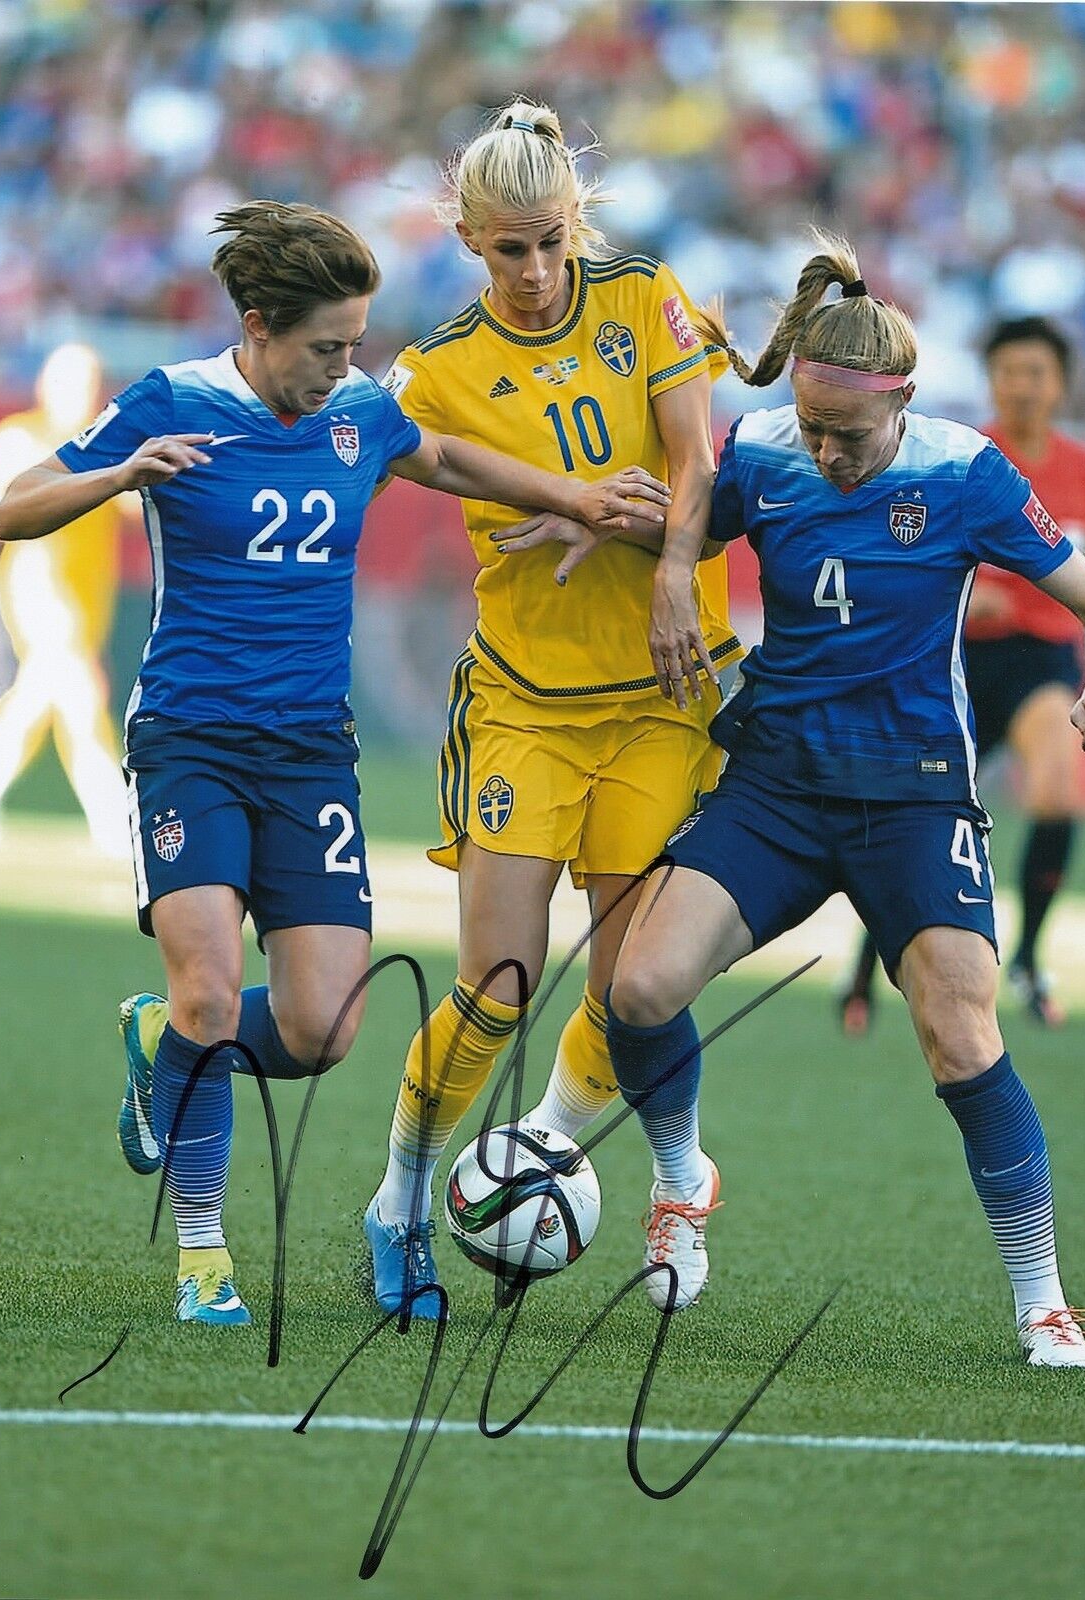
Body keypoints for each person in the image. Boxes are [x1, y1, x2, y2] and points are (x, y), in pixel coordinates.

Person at [0, 199, 669, 1327]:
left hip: (310, 755)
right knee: (211, 988)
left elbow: (442, 453)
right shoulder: (173, 402)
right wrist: (116, 478)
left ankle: (157, 1037)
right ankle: (202, 1250)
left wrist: (575, 497)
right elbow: (16, 508)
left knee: (322, 1029)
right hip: (191, 742)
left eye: (353, 343)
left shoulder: (359, 411)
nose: (344, 366)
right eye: (325, 346)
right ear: (257, 325)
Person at [599, 233, 1085, 1367]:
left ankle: (1042, 1298)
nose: (826, 454)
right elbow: (680, 517)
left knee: (958, 1033)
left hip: (912, 798)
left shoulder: (964, 473)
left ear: (899, 402)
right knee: (639, 986)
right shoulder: (764, 453)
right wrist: (587, 514)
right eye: (810, 430)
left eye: (845, 435)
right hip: (777, 787)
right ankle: (677, 1183)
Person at [361, 100, 743, 1317]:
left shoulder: (644, 296)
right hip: (525, 702)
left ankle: (542, 1141)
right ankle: (398, 1197)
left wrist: (669, 561)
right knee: (497, 981)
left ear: (577, 222)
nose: (533, 273)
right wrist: (579, 496)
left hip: (661, 698)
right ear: (466, 236)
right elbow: (387, 443)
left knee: (632, 983)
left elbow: (696, 465)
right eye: (505, 248)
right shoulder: (438, 368)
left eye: (549, 243)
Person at [838, 315, 1085, 1031]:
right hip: (956, 662)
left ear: (1060, 383)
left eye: (1037, 372)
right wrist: (971, 595)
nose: (1023, 385)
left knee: (1058, 793)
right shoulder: (964, 457)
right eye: (1009, 372)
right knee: (912, 816)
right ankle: (862, 971)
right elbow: (905, 564)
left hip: (1042, 663)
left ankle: (1029, 957)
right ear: (992, 379)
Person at [0, 343, 129, 860]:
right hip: (38, 582)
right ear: (48, 385)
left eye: (92, 382)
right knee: (81, 688)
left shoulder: (107, 444)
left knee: (45, 694)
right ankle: (112, 816)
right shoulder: (22, 436)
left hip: (92, 589)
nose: (84, 393)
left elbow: (136, 505)